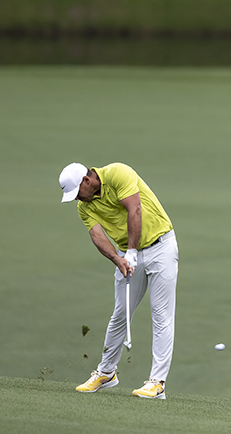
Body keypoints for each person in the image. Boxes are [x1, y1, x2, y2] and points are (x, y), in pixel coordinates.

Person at [58, 161, 178, 400]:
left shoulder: (117, 173)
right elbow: (97, 234)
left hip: (160, 247)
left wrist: (131, 251)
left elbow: (135, 210)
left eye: (77, 194)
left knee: (161, 314)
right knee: (120, 315)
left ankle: (157, 382)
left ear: (86, 181)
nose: (76, 200)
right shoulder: (84, 206)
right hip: (127, 253)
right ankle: (106, 372)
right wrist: (117, 258)